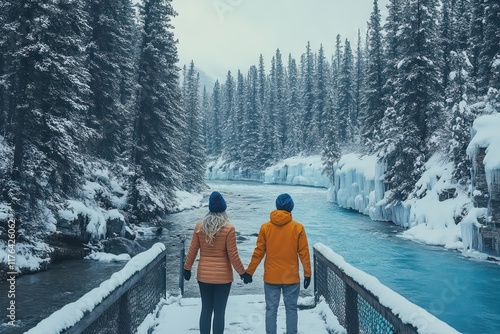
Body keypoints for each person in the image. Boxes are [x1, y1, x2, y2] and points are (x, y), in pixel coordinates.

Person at [183, 191, 252, 334]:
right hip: (223, 278)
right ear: (223, 209)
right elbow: (233, 255)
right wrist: (243, 273)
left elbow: (192, 250)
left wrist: (187, 268)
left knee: (206, 310)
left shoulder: (199, 227)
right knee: (219, 313)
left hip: (204, 276)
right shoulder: (229, 229)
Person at [243, 193, 311, 334]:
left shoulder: (265, 227)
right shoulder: (298, 228)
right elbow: (304, 253)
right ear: (291, 207)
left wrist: (249, 271)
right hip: (291, 277)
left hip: (271, 277)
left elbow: (259, 252)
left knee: (271, 309)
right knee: (291, 309)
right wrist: (307, 273)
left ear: (277, 206)